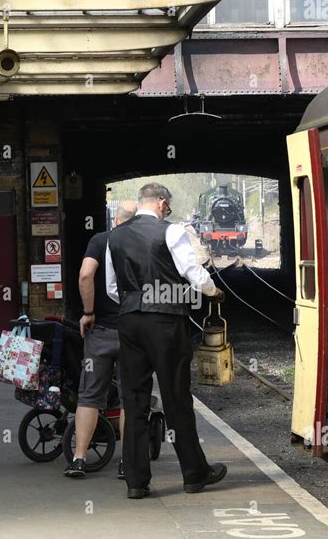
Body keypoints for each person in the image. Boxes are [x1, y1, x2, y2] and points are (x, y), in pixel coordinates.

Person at [106, 182, 226, 499]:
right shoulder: (170, 232)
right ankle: (194, 474)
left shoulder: (114, 236)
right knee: (176, 397)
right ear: (161, 203)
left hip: (129, 321)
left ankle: (135, 481)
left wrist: (135, 301)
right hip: (166, 322)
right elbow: (192, 272)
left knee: (133, 401)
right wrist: (213, 291)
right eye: (167, 205)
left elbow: (111, 287)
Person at [64, 200, 138, 478]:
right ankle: (126, 462)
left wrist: (88, 313)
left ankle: (79, 459)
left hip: (101, 333)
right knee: (130, 398)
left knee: (89, 397)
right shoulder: (143, 243)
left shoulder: (100, 240)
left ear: (116, 221)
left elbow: (85, 275)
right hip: (134, 332)